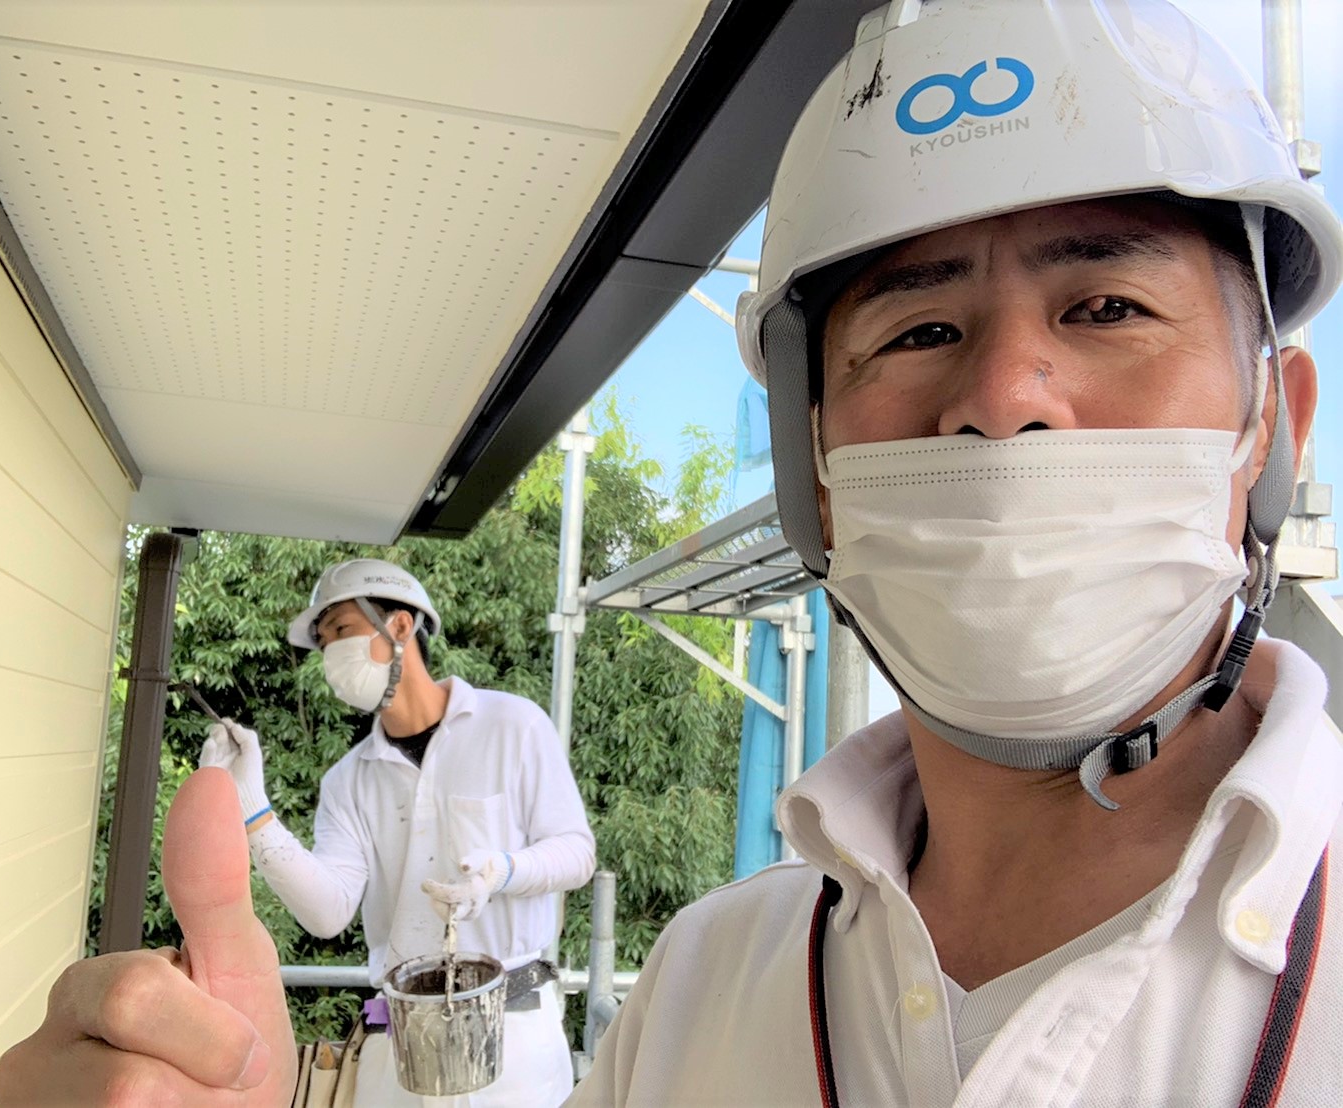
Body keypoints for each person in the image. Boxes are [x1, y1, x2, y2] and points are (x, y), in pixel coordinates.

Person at [567, 1, 1343, 1105]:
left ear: (1272, 427)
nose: (1002, 398)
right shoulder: (695, 991)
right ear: (811, 475)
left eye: (1107, 307)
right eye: (919, 331)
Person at [0, 559, 594, 1107]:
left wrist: (501, 872)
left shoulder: (512, 725)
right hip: (400, 1049)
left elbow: (576, 853)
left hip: (515, 1036)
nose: (330, 652)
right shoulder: (348, 780)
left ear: (400, 626)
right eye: (323, 642)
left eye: (341, 630)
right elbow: (328, 912)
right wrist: (252, 809)